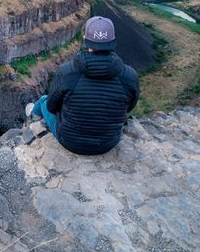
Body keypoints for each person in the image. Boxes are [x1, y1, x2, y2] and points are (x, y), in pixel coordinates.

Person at [26, 16, 140, 155]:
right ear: (113, 41)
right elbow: (129, 107)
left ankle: (32, 115)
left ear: (86, 39)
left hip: (70, 142)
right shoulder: (130, 76)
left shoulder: (67, 72)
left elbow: (51, 107)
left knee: (44, 100)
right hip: (108, 143)